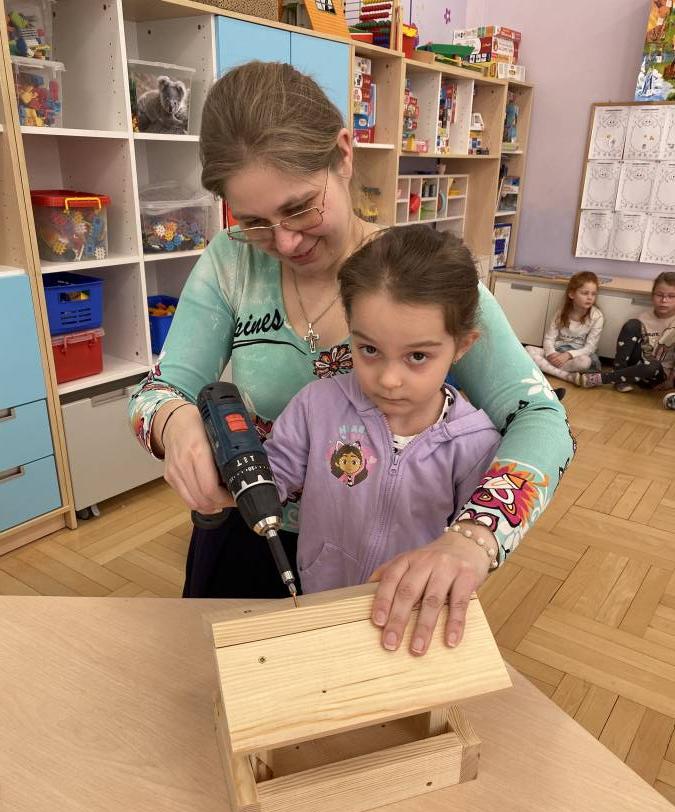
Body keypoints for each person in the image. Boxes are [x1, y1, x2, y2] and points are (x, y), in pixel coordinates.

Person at [128, 61, 575, 653]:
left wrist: (473, 537)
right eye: (254, 222)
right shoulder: (231, 261)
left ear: (343, 154)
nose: (284, 242)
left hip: (382, 561)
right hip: (251, 530)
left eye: (300, 208)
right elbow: (158, 391)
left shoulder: (418, 279)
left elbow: (542, 419)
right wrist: (174, 421)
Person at [249, 227, 499, 653]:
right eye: (369, 350)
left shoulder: (474, 443)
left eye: (417, 356)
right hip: (318, 596)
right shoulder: (317, 403)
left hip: (409, 617)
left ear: (461, 345)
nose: (388, 379)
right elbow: (275, 476)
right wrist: (237, 478)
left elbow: (471, 547)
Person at [575, 272, 675, 408]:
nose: (664, 300)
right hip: (633, 367)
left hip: (656, 376)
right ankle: (620, 378)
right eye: (660, 295)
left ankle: (603, 378)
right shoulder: (644, 318)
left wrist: (670, 381)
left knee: (653, 365)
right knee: (632, 324)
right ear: (652, 295)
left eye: (671, 296)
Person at [526, 272, 603, 384]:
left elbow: (590, 348)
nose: (590, 297)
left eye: (593, 294)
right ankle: (566, 376)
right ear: (571, 294)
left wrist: (568, 355)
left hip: (578, 355)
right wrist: (551, 353)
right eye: (585, 293)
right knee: (528, 349)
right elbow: (549, 338)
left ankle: (548, 368)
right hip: (557, 351)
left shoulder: (597, 316)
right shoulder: (561, 312)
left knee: (585, 362)